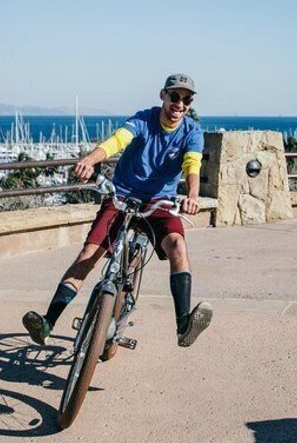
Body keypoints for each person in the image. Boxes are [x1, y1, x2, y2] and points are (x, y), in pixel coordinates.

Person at [22, 73, 213, 348]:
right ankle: (48, 322)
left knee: (178, 247)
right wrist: (90, 159)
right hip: (122, 195)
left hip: (160, 202)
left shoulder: (191, 131)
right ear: (163, 95)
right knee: (89, 255)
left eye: (186, 99)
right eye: (175, 96)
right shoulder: (144, 119)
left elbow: (192, 164)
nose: (179, 104)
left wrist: (192, 195)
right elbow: (117, 142)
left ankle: (184, 324)